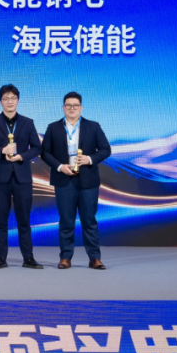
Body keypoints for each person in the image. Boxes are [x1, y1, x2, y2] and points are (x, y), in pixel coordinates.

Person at [41, 91, 111, 270]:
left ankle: (95, 258)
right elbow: (45, 153)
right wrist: (59, 166)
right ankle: (65, 258)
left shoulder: (93, 126)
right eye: (68, 105)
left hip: (88, 182)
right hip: (64, 180)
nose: (72, 108)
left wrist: (89, 159)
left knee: (89, 221)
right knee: (66, 221)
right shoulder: (53, 127)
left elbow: (106, 149)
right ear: (63, 108)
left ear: (81, 108)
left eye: (75, 105)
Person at [0, 84, 43, 269]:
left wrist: (22, 156)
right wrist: (2, 151)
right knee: (1, 221)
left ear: (18, 100)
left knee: (24, 221)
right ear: (0, 102)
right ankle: (1, 258)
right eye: (6, 98)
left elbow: (37, 148)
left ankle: (28, 258)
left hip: (22, 177)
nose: (10, 102)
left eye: (13, 98)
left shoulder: (27, 122)